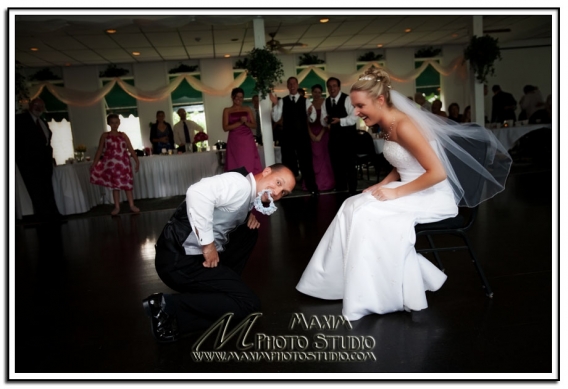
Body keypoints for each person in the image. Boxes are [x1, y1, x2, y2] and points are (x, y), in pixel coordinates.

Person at [296, 68, 511, 321]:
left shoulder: (405, 125)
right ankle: (334, 284)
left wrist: (396, 195)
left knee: (367, 215)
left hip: (431, 193)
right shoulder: (387, 123)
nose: (355, 112)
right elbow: (403, 164)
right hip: (410, 186)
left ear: (379, 100)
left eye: (359, 106)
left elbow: (437, 173)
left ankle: (379, 293)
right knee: (351, 205)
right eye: (354, 106)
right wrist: (383, 185)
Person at [142, 164, 296, 342]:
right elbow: (197, 193)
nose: (277, 192)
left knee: (249, 232)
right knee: (249, 305)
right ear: (267, 171)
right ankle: (166, 306)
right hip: (178, 262)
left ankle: (222, 292)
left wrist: (246, 216)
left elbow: (226, 209)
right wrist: (208, 246)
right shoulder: (239, 185)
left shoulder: (247, 192)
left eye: (283, 192)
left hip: (183, 257)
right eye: (278, 182)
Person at [15, 97, 65, 223]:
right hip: (30, 164)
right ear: (30, 106)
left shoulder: (43, 122)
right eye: (36, 105)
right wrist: (22, 161)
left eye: (41, 106)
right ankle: (43, 218)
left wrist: (51, 158)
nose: (39, 108)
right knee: (36, 191)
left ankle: (53, 215)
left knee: (48, 189)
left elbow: (47, 143)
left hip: (45, 162)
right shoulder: (20, 120)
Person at [270, 77, 319, 195]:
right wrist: (276, 104)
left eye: (294, 83)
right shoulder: (283, 101)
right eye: (290, 84)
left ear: (297, 85)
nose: (292, 86)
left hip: (302, 137)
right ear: (287, 86)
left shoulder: (305, 101)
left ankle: (312, 187)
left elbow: (313, 119)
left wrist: (310, 113)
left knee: (306, 162)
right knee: (287, 164)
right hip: (287, 137)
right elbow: (276, 118)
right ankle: (287, 189)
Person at [90, 114, 140, 216]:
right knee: (115, 186)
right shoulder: (105, 135)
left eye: (116, 122)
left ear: (119, 123)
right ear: (109, 123)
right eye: (112, 123)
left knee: (127, 185)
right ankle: (117, 206)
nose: (114, 125)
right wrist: (94, 163)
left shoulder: (123, 135)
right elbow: (100, 150)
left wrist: (137, 160)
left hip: (124, 163)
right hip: (112, 165)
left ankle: (131, 205)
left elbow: (130, 148)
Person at [321, 77, 359, 195]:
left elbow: (354, 118)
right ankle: (340, 191)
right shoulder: (325, 102)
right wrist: (325, 120)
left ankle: (353, 191)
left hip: (348, 138)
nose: (332, 89)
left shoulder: (347, 99)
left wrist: (340, 121)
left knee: (350, 166)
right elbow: (322, 121)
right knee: (337, 166)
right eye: (330, 86)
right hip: (334, 139)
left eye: (334, 86)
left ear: (339, 87)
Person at [223, 87, 263, 175]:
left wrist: (246, 123)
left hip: (247, 139)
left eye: (241, 97)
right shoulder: (227, 110)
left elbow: (254, 125)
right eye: (237, 97)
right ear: (232, 97)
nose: (239, 99)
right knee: (235, 161)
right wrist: (239, 122)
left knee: (248, 160)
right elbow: (225, 128)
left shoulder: (247, 108)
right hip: (234, 139)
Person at [306, 84, 335, 191]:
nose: (317, 94)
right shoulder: (309, 104)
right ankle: (313, 183)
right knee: (312, 159)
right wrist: (310, 134)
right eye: (315, 92)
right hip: (311, 133)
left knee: (325, 157)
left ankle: (326, 182)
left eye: (319, 92)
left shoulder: (325, 103)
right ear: (312, 92)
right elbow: (306, 121)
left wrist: (320, 134)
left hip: (323, 133)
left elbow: (327, 121)